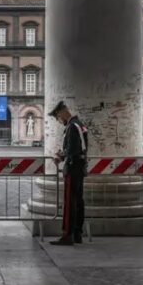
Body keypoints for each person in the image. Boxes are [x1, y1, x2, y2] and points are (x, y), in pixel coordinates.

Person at [49, 101, 88, 245]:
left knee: (69, 203)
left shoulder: (72, 126)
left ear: (62, 113)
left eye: (58, 118)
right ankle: (78, 233)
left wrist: (60, 156)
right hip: (80, 167)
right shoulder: (80, 124)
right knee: (79, 201)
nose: (59, 121)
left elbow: (72, 149)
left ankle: (67, 235)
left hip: (72, 168)